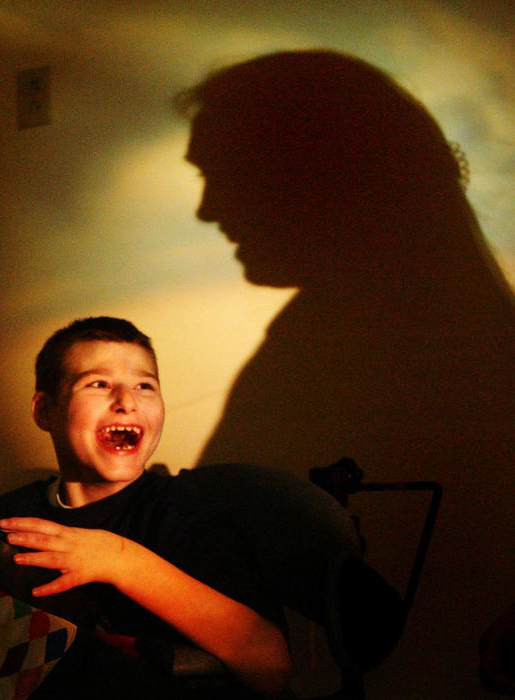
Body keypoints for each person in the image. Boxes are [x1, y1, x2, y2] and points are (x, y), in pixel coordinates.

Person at [177, 49, 515, 694]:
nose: (208, 210)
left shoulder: (374, 344)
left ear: (310, 172)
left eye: (225, 174)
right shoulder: (405, 323)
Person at [0, 317, 291, 697]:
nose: (127, 400)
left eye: (145, 385)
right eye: (98, 384)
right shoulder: (15, 512)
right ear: (46, 410)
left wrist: (118, 560)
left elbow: (271, 667)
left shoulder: (187, 516)